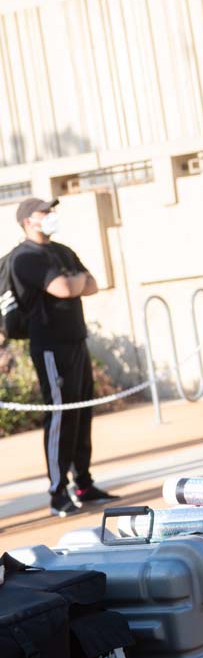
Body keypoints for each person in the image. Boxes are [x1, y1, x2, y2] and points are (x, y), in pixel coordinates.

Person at [11, 197, 119, 517]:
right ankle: (58, 492)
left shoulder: (62, 251)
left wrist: (76, 282)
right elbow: (63, 288)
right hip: (49, 346)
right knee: (60, 415)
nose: (50, 215)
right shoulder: (26, 257)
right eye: (44, 212)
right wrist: (74, 283)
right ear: (28, 220)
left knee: (82, 412)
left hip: (76, 340)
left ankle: (83, 483)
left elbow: (91, 285)